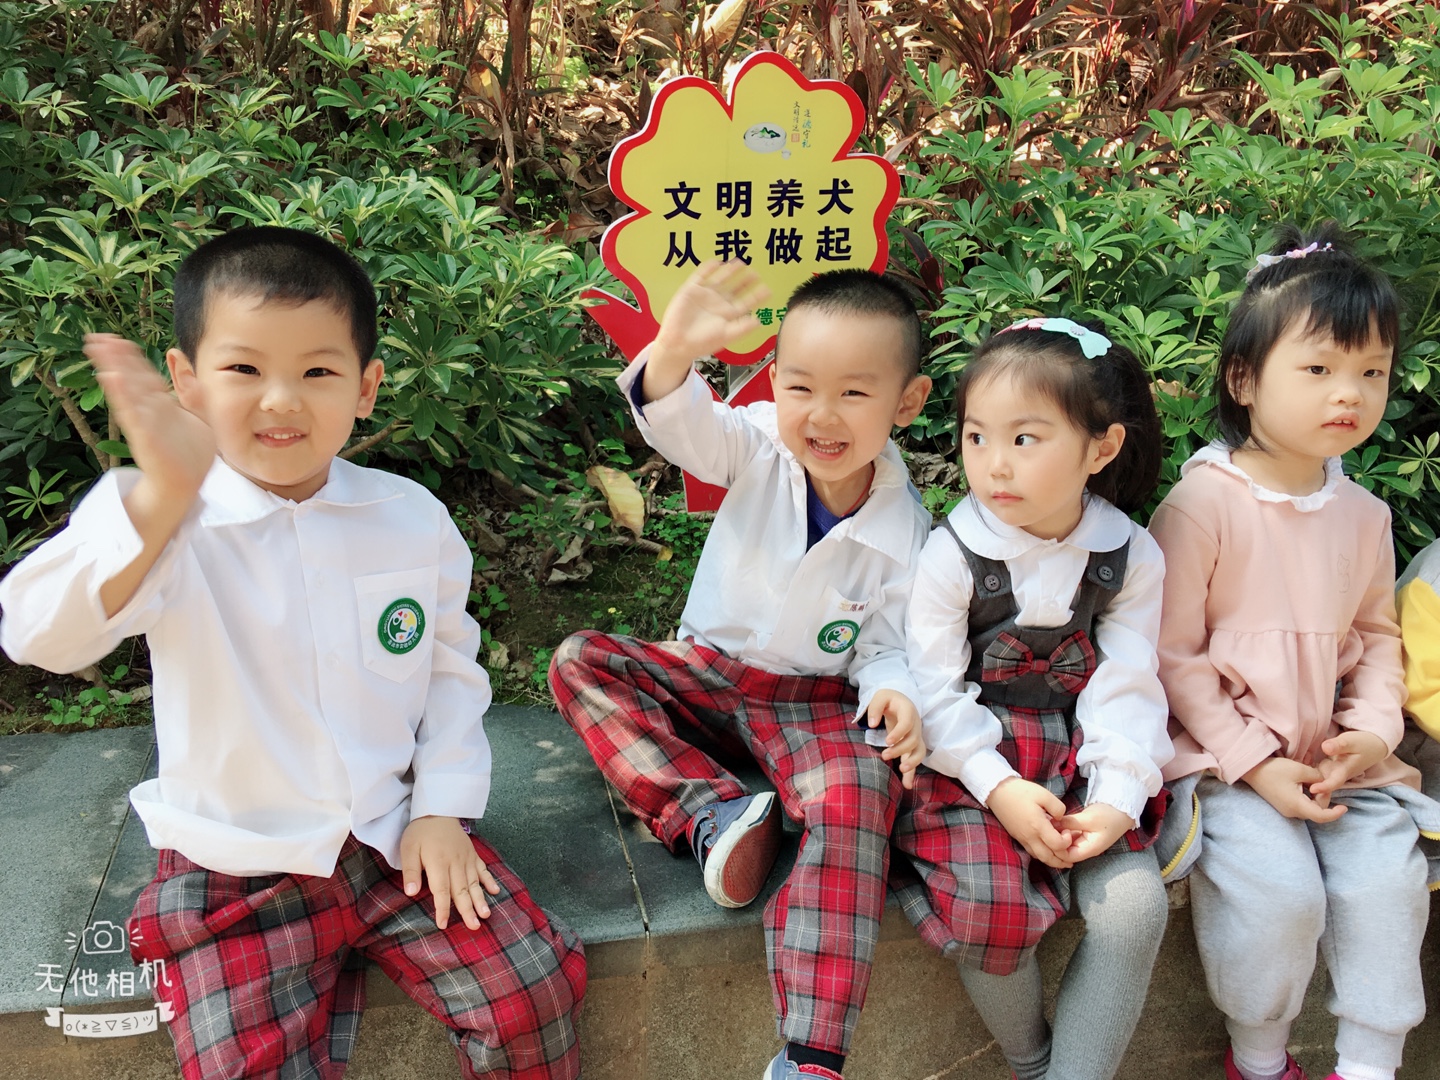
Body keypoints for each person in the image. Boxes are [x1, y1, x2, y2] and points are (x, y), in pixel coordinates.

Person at [0, 227, 585, 1080]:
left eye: (317, 372)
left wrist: (442, 807)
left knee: (530, 993)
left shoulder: (408, 517)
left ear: (366, 388)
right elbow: (38, 635)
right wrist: (161, 499)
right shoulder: (159, 516)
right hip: (232, 865)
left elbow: (448, 672)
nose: (281, 401)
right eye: (243, 369)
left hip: (393, 839)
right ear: (185, 381)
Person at [549, 261, 932, 1080]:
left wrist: (895, 693)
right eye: (800, 387)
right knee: (582, 659)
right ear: (775, 383)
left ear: (907, 403)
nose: (821, 415)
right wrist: (675, 349)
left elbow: (887, 646)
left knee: (859, 796)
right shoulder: (759, 444)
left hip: (811, 703)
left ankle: (812, 1054)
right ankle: (712, 813)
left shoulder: (907, 531)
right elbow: (685, 427)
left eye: (854, 394)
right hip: (707, 674)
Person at [1152, 223, 1440, 1080]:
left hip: (1343, 761)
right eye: (1318, 369)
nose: (1349, 393)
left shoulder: (1364, 516)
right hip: (1231, 765)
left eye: (1372, 372)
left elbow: (1378, 640)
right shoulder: (1201, 506)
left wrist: (1373, 733)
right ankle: (1260, 1059)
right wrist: (1254, 762)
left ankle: (1369, 1065)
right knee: (1275, 896)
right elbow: (1173, 655)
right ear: (1243, 379)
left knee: (1386, 887)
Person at [890, 317, 1173, 1080]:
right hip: (970, 768)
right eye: (976, 436)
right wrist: (1001, 788)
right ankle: (1033, 1063)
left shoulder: (1129, 555)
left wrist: (1115, 799)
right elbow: (934, 689)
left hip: (1083, 758)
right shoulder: (952, 554)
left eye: (1024, 438)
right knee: (989, 911)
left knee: (1135, 912)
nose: (994, 464)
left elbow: (1128, 682)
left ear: (1101, 449)